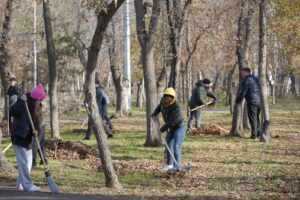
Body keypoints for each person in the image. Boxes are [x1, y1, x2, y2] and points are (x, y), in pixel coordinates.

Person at [9, 84, 47, 192]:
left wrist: (36, 131)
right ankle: (28, 186)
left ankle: (20, 184)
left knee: (28, 163)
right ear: (36, 97)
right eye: (39, 99)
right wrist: (20, 101)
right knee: (24, 163)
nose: (39, 102)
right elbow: (12, 112)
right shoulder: (24, 102)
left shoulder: (37, 107)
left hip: (28, 140)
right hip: (19, 137)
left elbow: (38, 125)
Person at [152, 87, 185, 171]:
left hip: (179, 127)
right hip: (171, 128)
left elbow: (172, 121)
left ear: (172, 98)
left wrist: (162, 129)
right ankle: (170, 165)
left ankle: (177, 166)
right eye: (166, 97)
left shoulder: (176, 107)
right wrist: (154, 114)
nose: (167, 99)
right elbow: (159, 108)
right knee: (169, 146)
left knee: (176, 146)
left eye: (169, 97)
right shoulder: (162, 102)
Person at [236, 67, 262, 139]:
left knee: (252, 118)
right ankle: (258, 132)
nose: (241, 74)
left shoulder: (247, 80)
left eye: (242, 73)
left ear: (246, 72)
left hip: (252, 101)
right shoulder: (256, 78)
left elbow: (244, 91)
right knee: (256, 117)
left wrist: (238, 100)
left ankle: (254, 135)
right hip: (259, 101)